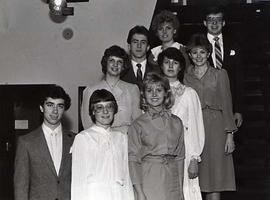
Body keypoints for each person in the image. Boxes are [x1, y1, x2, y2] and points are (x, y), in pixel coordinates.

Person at [184, 33, 238, 200]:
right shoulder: (186, 76)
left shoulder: (219, 74)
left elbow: (227, 105)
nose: (198, 56)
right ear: (190, 55)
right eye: (194, 52)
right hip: (194, 127)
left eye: (202, 52)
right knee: (195, 178)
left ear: (208, 54)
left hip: (216, 129)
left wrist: (230, 135)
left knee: (215, 179)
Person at [128, 72, 185, 200]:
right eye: (149, 90)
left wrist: (180, 190)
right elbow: (133, 160)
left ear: (166, 93)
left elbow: (180, 158)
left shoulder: (176, 122)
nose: (154, 94)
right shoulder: (137, 124)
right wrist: (139, 192)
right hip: (150, 178)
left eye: (159, 90)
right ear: (144, 95)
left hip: (172, 180)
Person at [158, 47, 205, 200]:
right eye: (166, 62)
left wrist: (193, 159)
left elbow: (196, 128)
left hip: (184, 152)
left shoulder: (189, 93)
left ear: (180, 67)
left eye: (175, 62)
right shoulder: (154, 92)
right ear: (161, 65)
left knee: (184, 190)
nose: (170, 66)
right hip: (159, 151)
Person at [14, 85, 75, 200]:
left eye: (60, 106)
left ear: (64, 109)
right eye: (50, 105)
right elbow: (20, 186)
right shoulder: (26, 142)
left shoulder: (75, 139)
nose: (55, 111)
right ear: (41, 108)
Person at [72, 89, 134, 200]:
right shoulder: (83, 138)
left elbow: (126, 176)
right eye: (99, 107)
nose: (105, 112)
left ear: (114, 110)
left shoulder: (121, 137)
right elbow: (78, 180)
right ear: (92, 112)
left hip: (118, 195)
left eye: (109, 107)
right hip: (94, 195)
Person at [81, 45, 142, 134]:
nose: (115, 64)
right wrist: (120, 129)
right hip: (98, 142)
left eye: (119, 62)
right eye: (111, 60)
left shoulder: (132, 89)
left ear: (124, 66)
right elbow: (87, 126)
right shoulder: (90, 90)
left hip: (125, 141)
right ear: (105, 63)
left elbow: (137, 124)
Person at [203, 6, 243, 128]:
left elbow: (239, 79)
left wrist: (238, 110)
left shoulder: (235, 43)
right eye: (210, 19)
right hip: (205, 107)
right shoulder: (197, 44)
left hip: (229, 105)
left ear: (223, 23)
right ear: (205, 23)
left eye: (218, 19)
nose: (214, 23)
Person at [121, 25, 158, 90]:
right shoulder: (121, 70)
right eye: (135, 42)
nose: (139, 46)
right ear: (129, 46)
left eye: (143, 42)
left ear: (148, 47)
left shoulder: (157, 71)